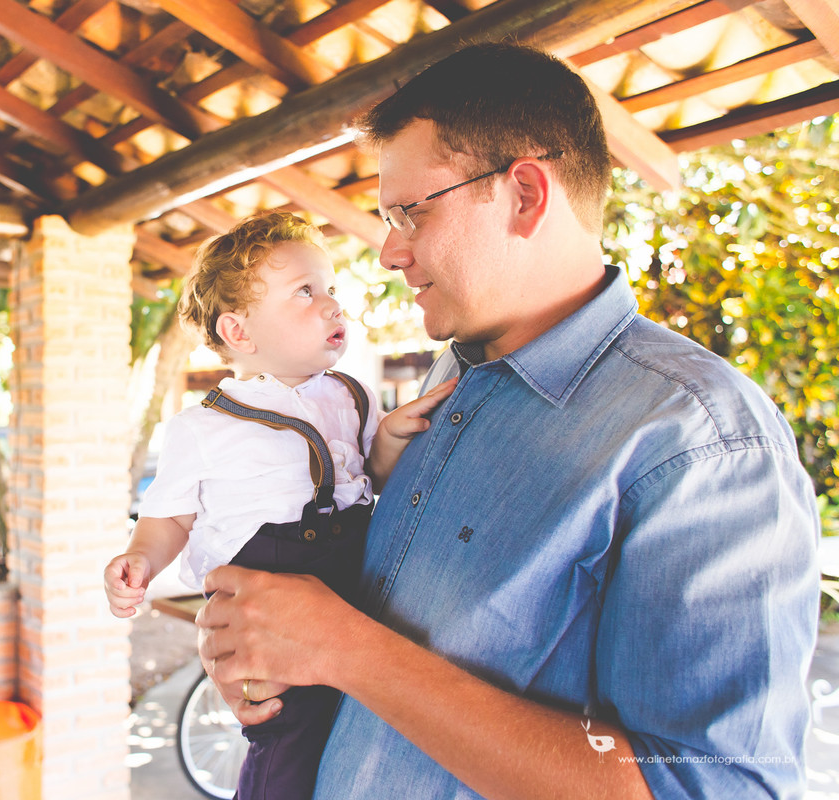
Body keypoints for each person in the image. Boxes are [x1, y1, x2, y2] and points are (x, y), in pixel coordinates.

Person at [196, 43, 821, 800]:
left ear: (525, 194)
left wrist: (343, 649)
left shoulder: (699, 441)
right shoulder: (449, 378)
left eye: (408, 212)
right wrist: (274, 654)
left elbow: (709, 784)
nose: (390, 250)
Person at [104, 211, 454, 799]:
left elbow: (369, 477)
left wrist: (389, 437)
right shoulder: (203, 425)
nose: (332, 305)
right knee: (287, 728)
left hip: (347, 570)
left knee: (358, 710)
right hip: (267, 582)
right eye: (305, 293)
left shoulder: (353, 396)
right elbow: (169, 516)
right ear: (240, 332)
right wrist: (141, 560)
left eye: (331, 289)